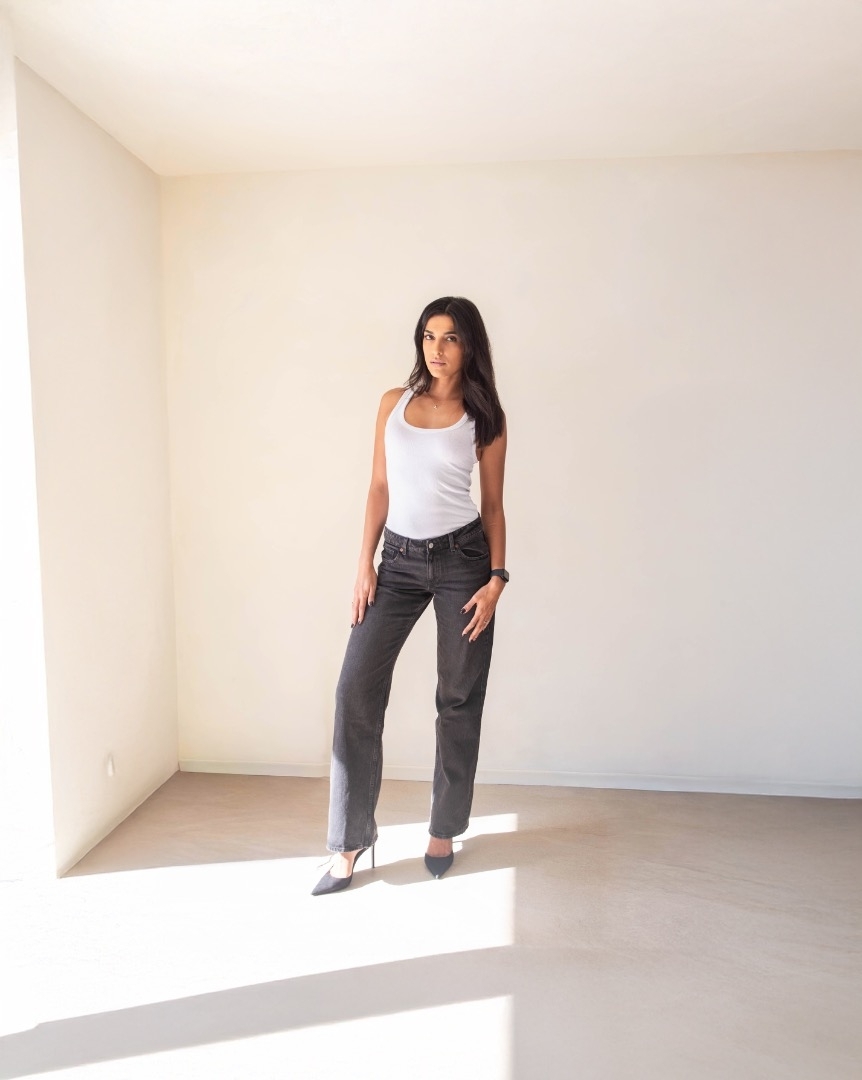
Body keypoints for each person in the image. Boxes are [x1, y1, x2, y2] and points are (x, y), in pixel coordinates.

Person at [312, 296, 509, 895]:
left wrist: (497, 579)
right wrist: (364, 564)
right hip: (395, 562)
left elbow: (493, 506)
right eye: (429, 336)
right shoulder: (392, 403)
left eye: (450, 338)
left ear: (469, 345)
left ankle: (444, 830)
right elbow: (379, 486)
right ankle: (349, 841)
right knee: (355, 691)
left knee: (458, 698)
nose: (437, 349)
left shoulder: (485, 416)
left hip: (463, 562)